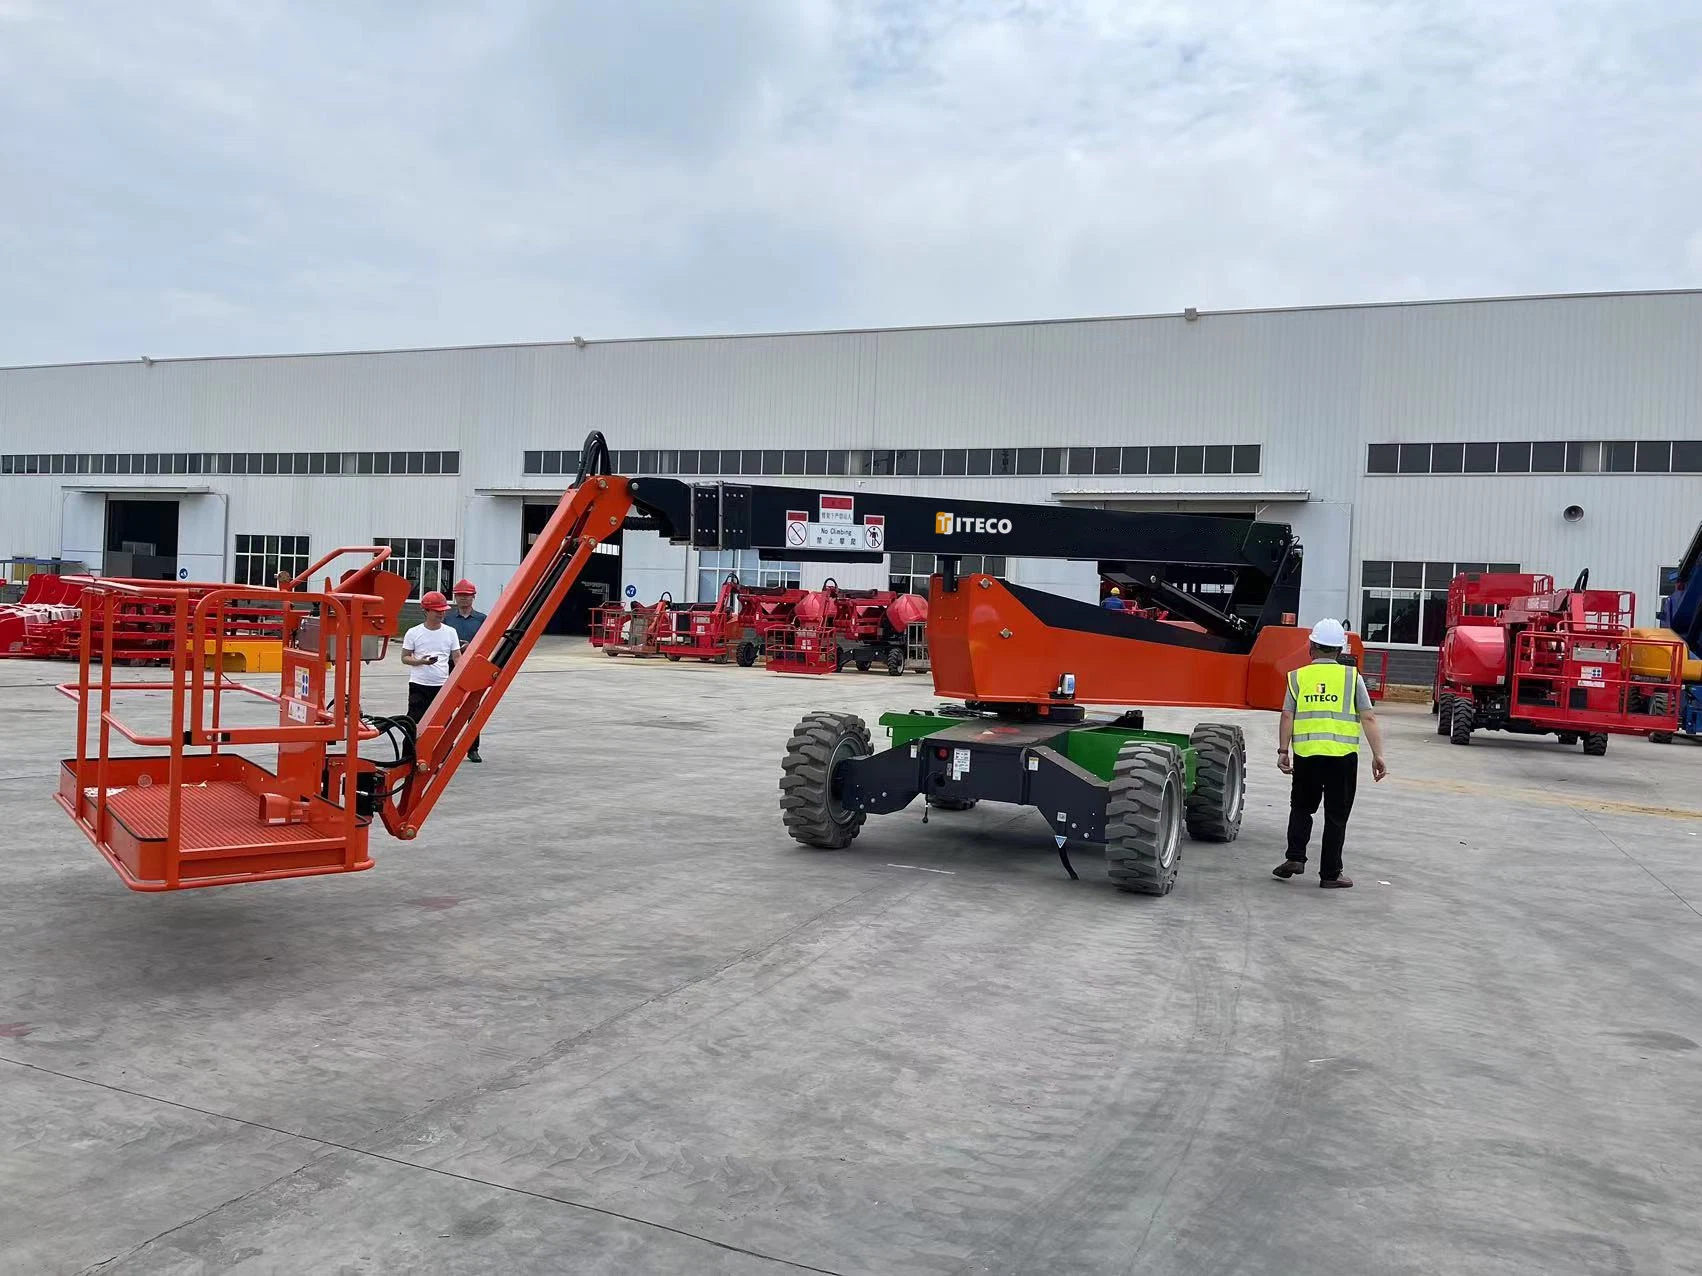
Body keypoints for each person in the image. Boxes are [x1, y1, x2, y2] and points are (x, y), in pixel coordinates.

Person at [1273, 618, 1388, 889]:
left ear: (1312, 646)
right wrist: (1378, 754)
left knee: (1301, 807)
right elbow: (1368, 717)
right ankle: (1330, 874)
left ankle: (1296, 857)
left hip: (1307, 755)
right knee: (1336, 816)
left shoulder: (1298, 676)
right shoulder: (1352, 677)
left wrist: (1283, 750)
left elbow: (1287, 715)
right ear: (1340, 650)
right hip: (1342, 758)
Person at [400, 590, 461, 725]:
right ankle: (412, 746)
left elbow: (457, 657)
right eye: (437, 611)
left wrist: (460, 675)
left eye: (443, 611)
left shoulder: (450, 632)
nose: (441, 614)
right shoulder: (413, 633)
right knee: (415, 721)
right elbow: (405, 657)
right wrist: (421, 661)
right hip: (419, 684)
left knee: (443, 721)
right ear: (426, 611)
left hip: (442, 684)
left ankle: (445, 746)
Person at [445, 578, 487, 762]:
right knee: (446, 709)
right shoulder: (446, 619)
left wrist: (471, 647)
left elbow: (488, 643)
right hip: (449, 667)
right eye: (460, 596)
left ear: (473, 597)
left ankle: (472, 748)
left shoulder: (482, 619)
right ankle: (446, 746)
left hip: (472, 667)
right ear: (455, 597)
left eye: (467, 596)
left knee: (472, 709)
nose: (463, 599)